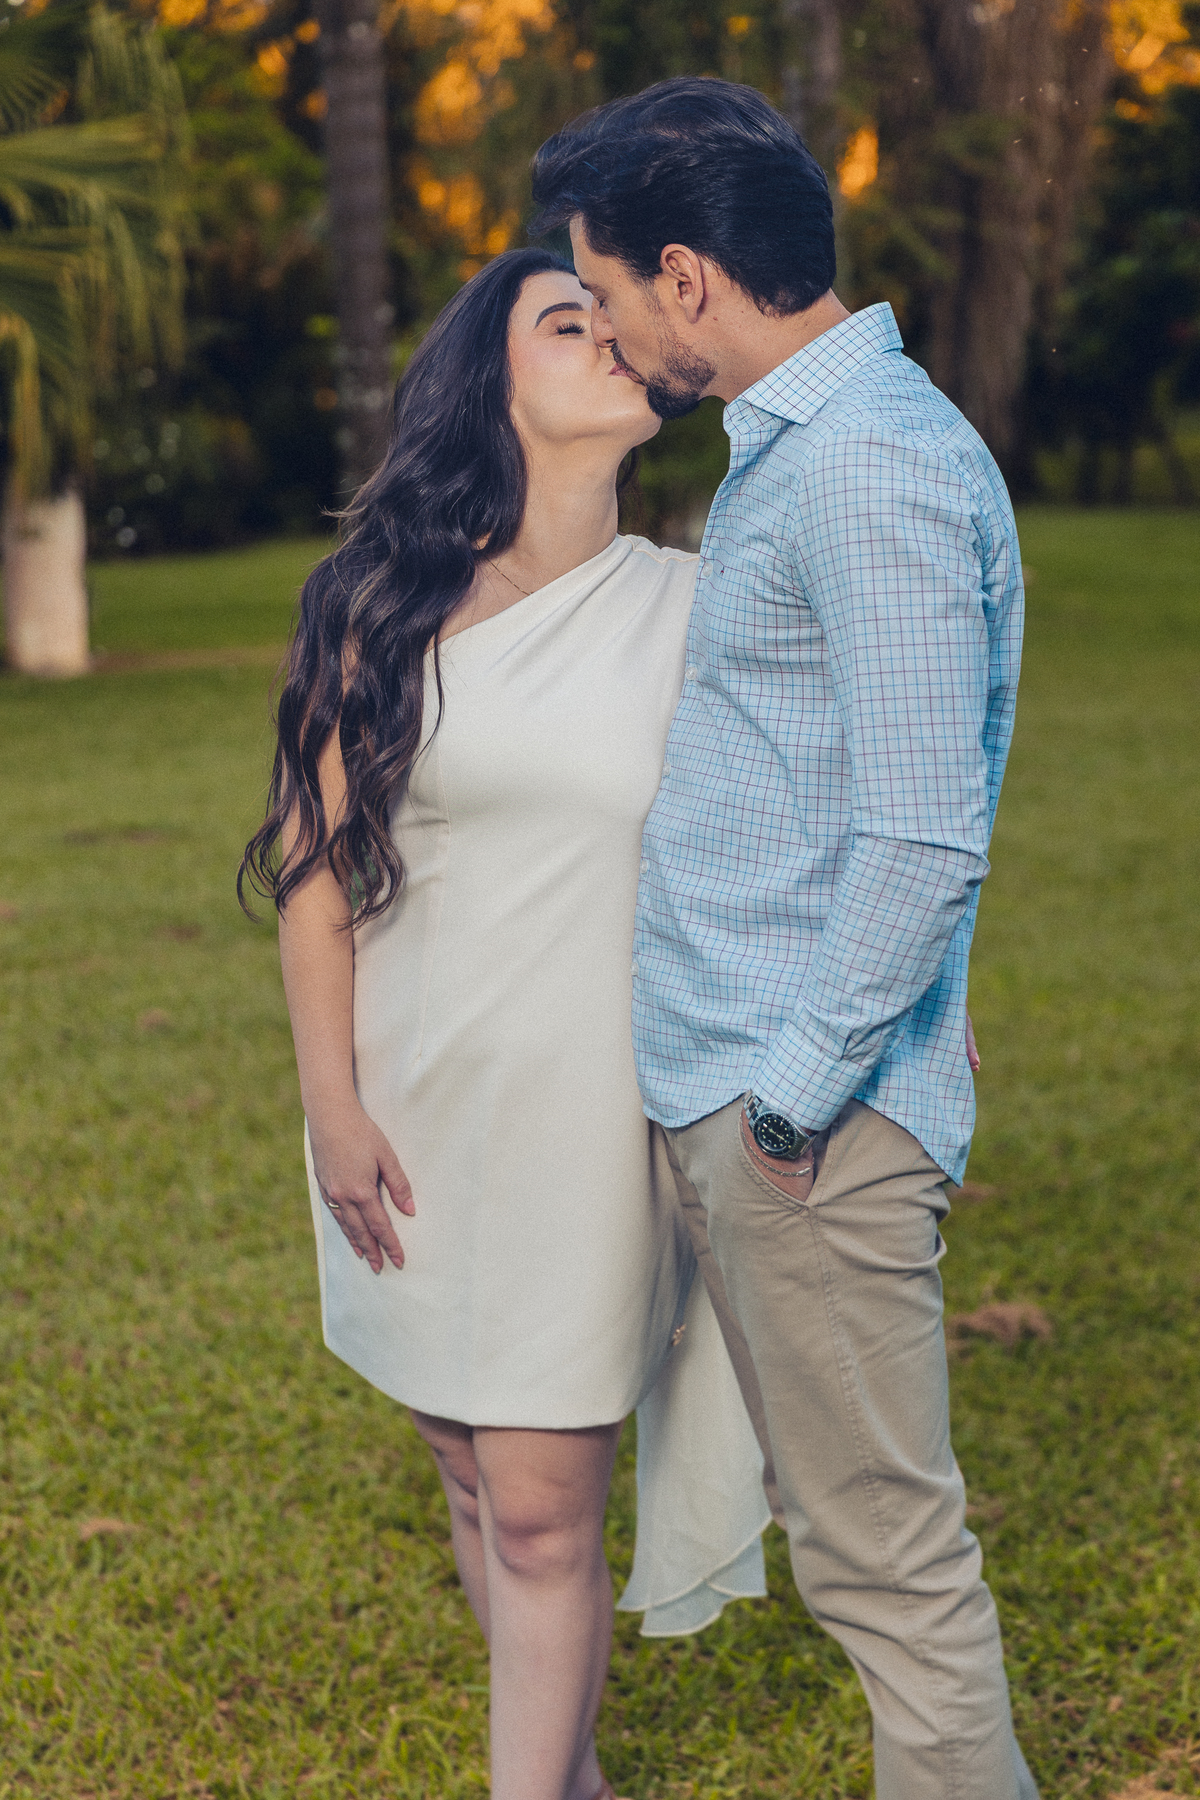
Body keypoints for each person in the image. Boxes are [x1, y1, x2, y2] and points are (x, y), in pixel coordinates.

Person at [532, 77, 1036, 1800]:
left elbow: (921, 833)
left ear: (686, 277)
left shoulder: (866, 470)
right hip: (775, 1085)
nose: (606, 332)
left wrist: (793, 1101)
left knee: (888, 1567)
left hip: (807, 1116)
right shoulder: (816, 450)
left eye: (605, 295)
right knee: (864, 1555)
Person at [238, 246, 770, 1800]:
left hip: (586, 1120)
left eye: (615, 320)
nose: (610, 338)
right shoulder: (377, 600)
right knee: (472, 1473)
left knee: (540, 1507)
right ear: (493, 379)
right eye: (566, 321)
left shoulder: (698, 606)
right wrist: (332, 1107)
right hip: (409, 1110)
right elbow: (314, 876)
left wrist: (904, 992)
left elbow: (800, 836)